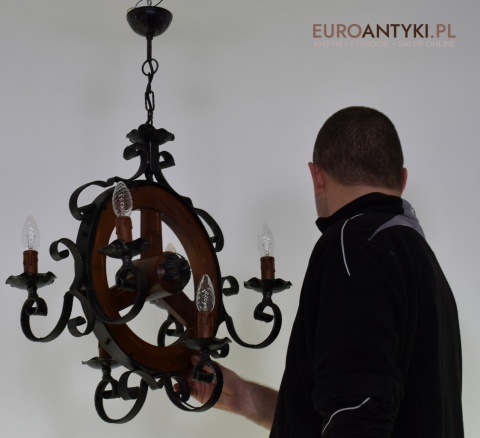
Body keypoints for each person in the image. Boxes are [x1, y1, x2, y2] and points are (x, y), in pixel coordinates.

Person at [190, 106, 464, 437]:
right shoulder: (423, 263)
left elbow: (358, 414)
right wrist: (245, 398)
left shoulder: (353, 245)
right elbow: (353, 408)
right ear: (402, 180)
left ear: (317, 176)